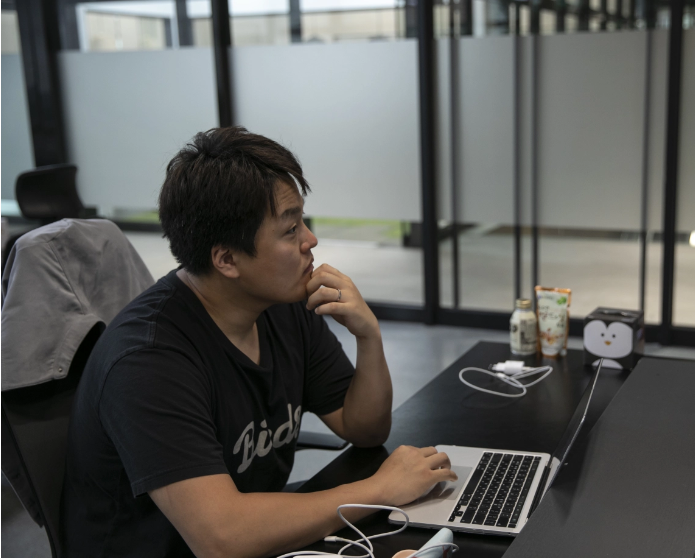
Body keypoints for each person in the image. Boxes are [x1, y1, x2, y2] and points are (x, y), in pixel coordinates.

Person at [60, 127, 457, 558]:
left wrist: (368, 336)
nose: (310, 240)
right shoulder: (147, 361)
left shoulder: (279, 306)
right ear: (227, 259)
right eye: (290, 229)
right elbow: (222, 539)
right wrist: (379, 490)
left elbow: (363, 428)